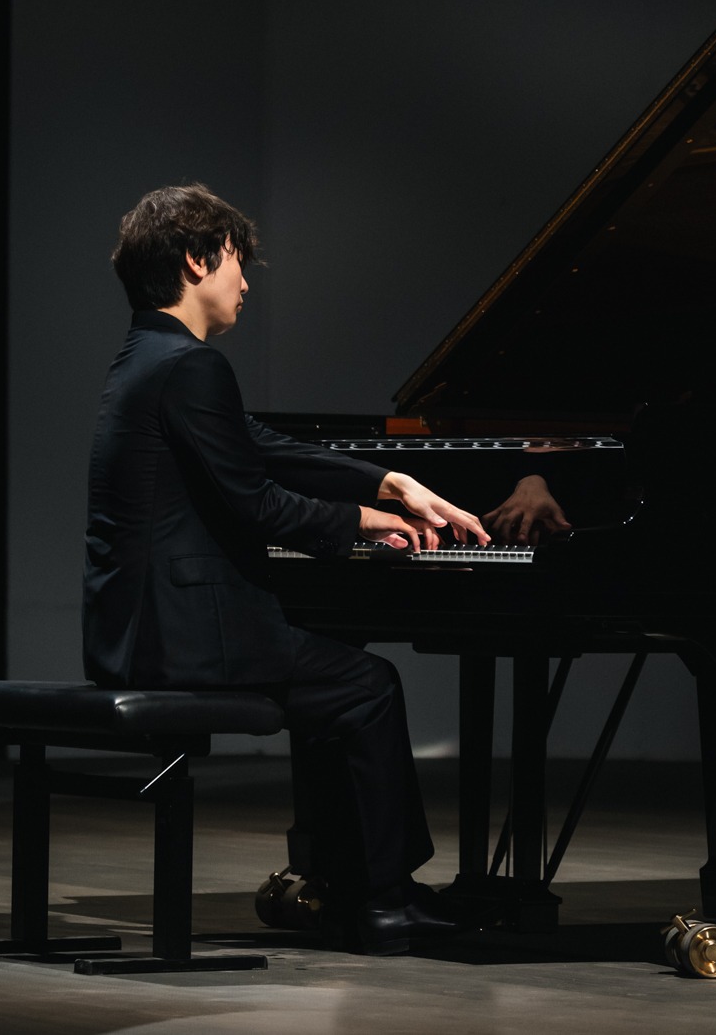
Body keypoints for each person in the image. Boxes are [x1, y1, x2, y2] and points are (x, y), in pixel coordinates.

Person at [83, 182, 494, 954]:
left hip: (138, 625)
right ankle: (384, 903)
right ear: (198, 260)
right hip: (182, 637)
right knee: (365, 686)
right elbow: (257, 504)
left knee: (340, 680)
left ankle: (350, 887)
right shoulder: (189, 366)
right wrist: (366, 524)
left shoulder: (146, 357)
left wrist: (385, 480)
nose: (244, 282)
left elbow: (257, 445)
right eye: (238, 263)